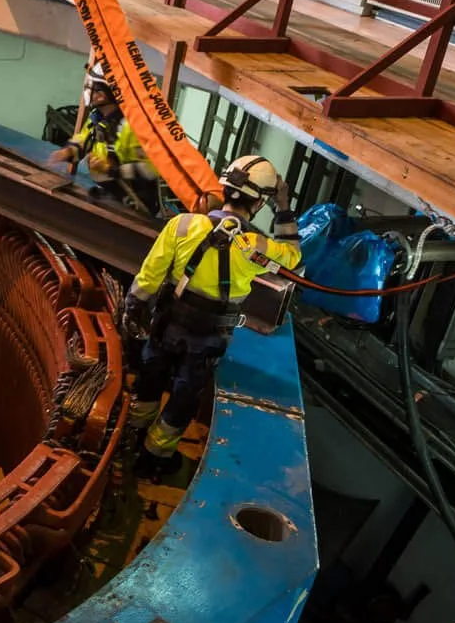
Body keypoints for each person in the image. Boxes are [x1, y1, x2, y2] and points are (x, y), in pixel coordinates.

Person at [123, 155, 301, 474]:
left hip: (165, 325)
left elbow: (148, 279)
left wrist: (132, 309)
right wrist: (284, 205)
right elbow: (293, 258)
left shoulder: (182, 225)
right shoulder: (256, 247)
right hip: (207, 339)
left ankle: (132, 435)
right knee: (184, 396)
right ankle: (154, 457)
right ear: (259, 203)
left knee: (150, 379)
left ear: (223, 189)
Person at [47, 62, 160, 212]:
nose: (87, 90)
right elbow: (84, 138)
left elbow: (151, 169)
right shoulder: (97, 117)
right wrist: (68, 151)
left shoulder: (133, 127)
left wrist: (111, 169)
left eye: (91, 87)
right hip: (111, 193)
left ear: (101, 95)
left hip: (136, 205)